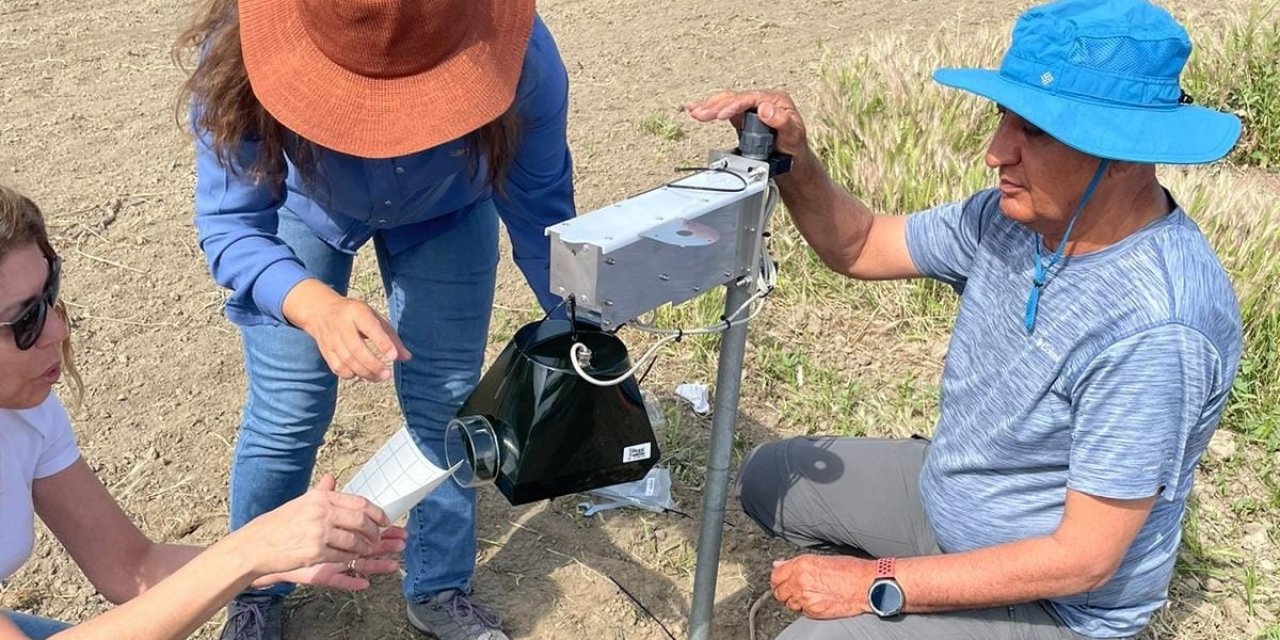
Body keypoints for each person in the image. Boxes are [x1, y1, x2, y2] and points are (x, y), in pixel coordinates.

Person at [687, 0, 1242, 638]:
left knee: (818, 636)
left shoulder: (1158, 326)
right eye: (1003, 116)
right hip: (956, 500)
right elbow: (862, 244)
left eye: (1033, 131)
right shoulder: (1014, 221)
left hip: (1055, 600)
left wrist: (873, 584)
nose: (995, 152)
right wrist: (796, 162)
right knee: (771, 479)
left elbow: (1084, 560)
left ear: (1118, 151)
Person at [174, 0, 575, 638]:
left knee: (448, 406)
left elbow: (541, 209)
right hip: (305, 210)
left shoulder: (521, 56)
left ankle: (438, 588)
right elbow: (230, 224)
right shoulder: (240, 49)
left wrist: (580, 327)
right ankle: (257, 590)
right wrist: (312, 303)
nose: (385, 131)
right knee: (288, 408)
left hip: (449, 207)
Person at [0, 184, 407, 640]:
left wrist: (281, 557)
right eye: (24, 320)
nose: (57, 327)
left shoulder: (26, 409)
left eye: (49, 290)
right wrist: (249, 552)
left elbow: (130, 566)